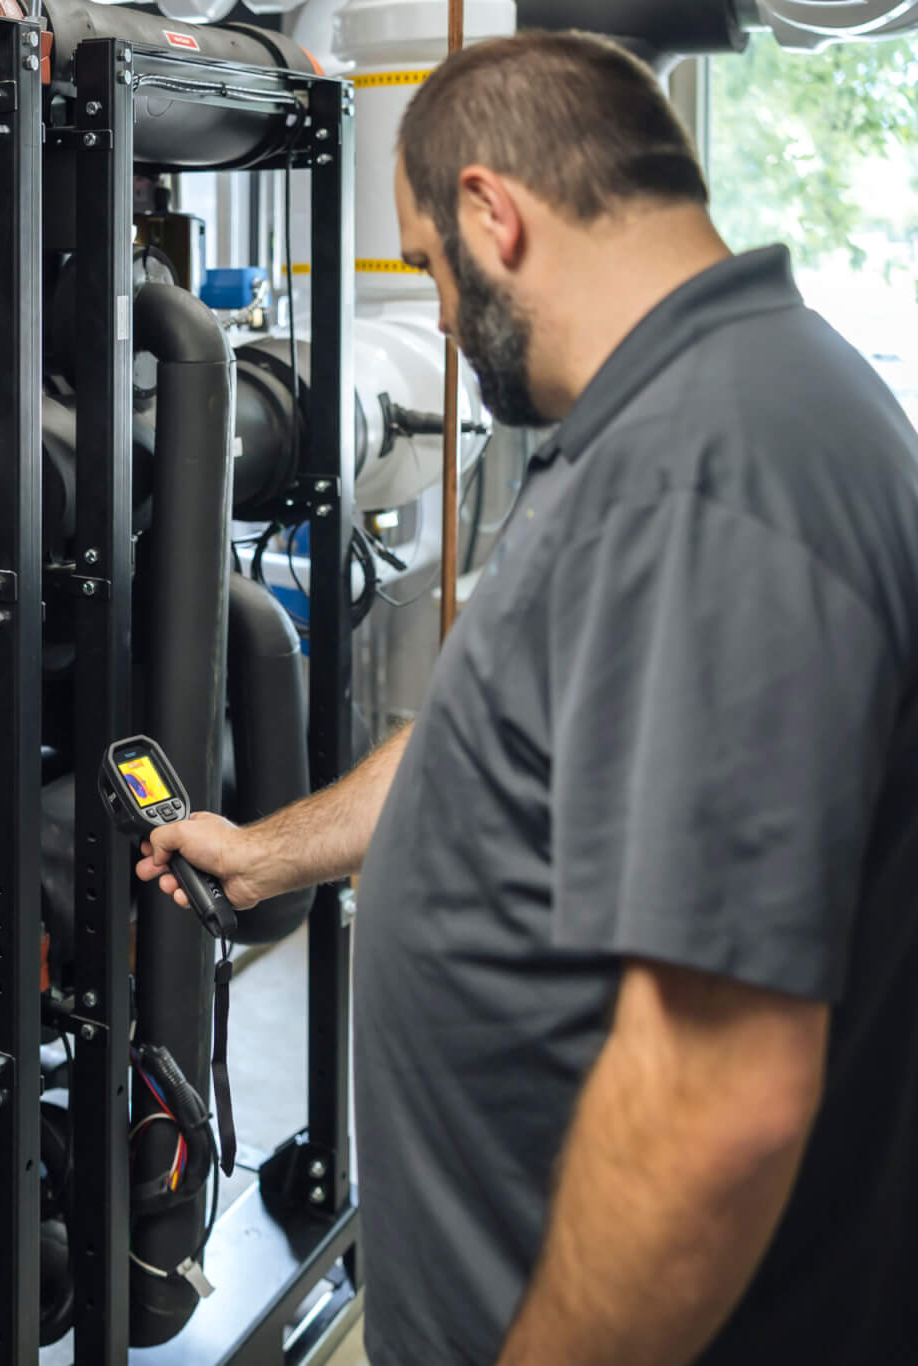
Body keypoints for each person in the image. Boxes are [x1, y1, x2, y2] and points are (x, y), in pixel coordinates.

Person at [136, 31, 918, 1366]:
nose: (438, 317)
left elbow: (715, 1097)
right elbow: (490, 733)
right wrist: (266, 856)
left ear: (496, 214)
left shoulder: (709, 475)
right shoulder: (670, 417)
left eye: (431, 267)